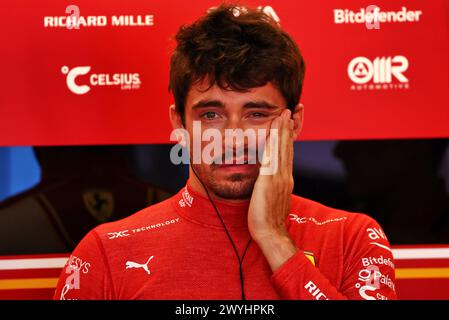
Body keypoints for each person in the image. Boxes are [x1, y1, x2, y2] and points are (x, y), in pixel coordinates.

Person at [54, 3, 397, 300]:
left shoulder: (352, 237)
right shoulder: (106, 253)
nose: (234, 138)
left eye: (257, 114)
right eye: (211, 115)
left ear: (293, 123)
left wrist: (275, 239)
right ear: (179, 124)